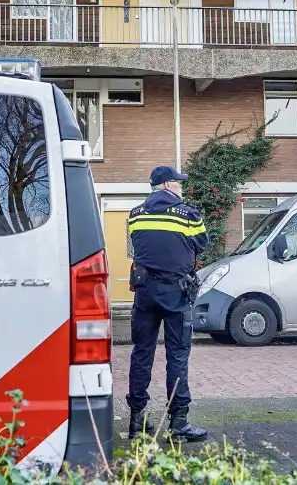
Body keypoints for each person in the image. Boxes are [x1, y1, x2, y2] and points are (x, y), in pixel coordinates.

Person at [125, 165, 209, 442]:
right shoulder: (188, 214)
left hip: (144, 292)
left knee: (141, 353)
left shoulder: (135, 215)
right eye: (177, 182)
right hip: (175, 293)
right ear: (165, 186)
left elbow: (133, 249)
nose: (181, 187)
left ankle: (137, 421)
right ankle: (178, 423)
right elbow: (202, 243)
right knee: (177, 354)